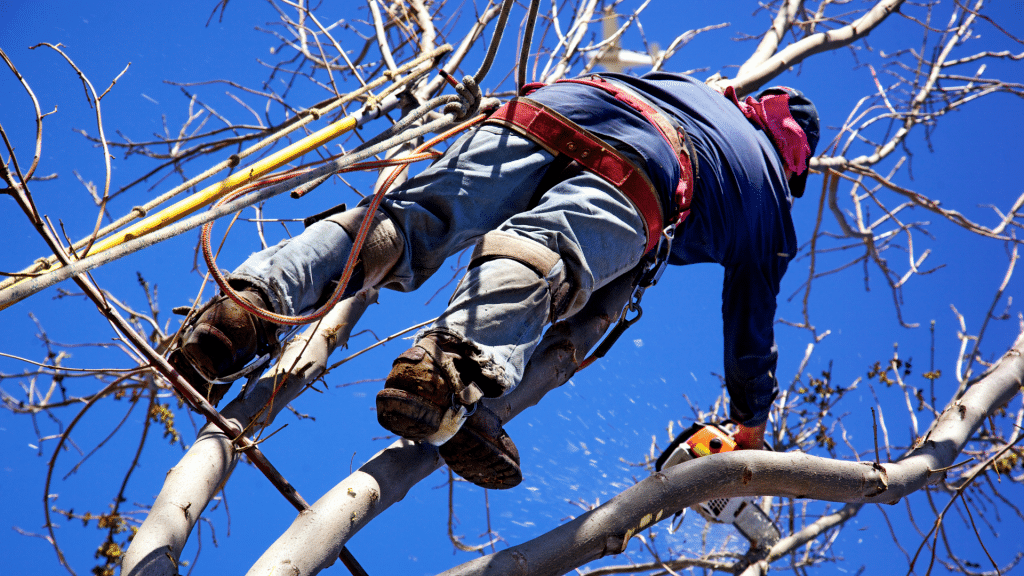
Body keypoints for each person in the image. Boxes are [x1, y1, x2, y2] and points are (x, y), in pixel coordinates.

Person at [168, 72, 820, 490]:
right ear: (796, 165)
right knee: (553, 255)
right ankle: (451, 374)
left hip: (561, 103)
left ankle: (252, 302)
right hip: (651, 165)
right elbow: (750, 325)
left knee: (411, 220)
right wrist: (750, 422)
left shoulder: (693, 86)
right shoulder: (772, 199)